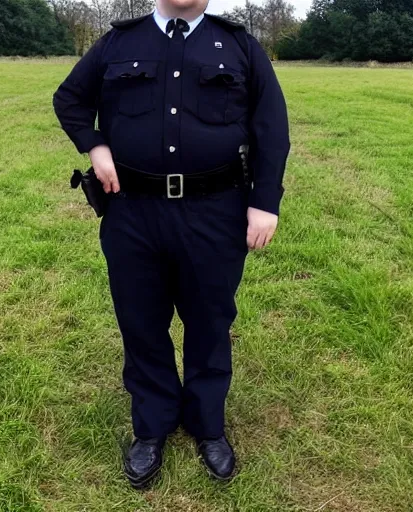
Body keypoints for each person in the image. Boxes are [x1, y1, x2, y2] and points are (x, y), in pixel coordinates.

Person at [52, 0, 290, 489]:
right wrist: (95, 146)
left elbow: (272, 127)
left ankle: (207, 425)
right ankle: (152, 425)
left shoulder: (241, 46)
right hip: (133, 212)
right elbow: (69, 99)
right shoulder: (119, 42)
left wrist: (265, 201)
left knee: (210, 320)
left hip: (216, 211)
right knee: (141, 321)